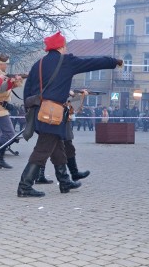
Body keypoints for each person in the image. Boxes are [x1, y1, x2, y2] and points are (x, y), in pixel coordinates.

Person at [17, 31, 123, 197]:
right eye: (65, 45)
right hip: (53, 114)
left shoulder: (38, 64)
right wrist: (113, 61)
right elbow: (92, 63)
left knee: (57, 147)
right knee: (42, 149)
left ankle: (65, 181)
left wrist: (29, 110)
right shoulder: (66, 61)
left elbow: (28, 89)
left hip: (39, 111)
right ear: (61, 46)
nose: (66, 48)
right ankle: (24, 186)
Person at [0, 54, 24, 170]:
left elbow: (7, 87)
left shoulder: (0, 74)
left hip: (0, 108)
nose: (6, 66)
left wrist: (15, 81)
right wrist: (10, 82)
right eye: (5, 64)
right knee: (10, 134)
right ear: (0, 64)